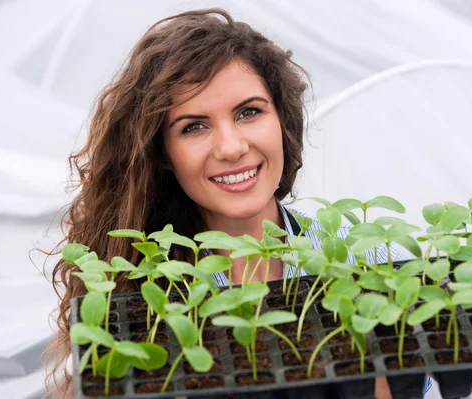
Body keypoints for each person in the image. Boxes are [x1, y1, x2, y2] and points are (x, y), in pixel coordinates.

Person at [44, 8, 430, 399]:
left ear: (282, 120)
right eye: (194, 126)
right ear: (161, 152)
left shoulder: (369, 255)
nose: (231, 148)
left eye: (249, 112)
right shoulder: (139, 287)